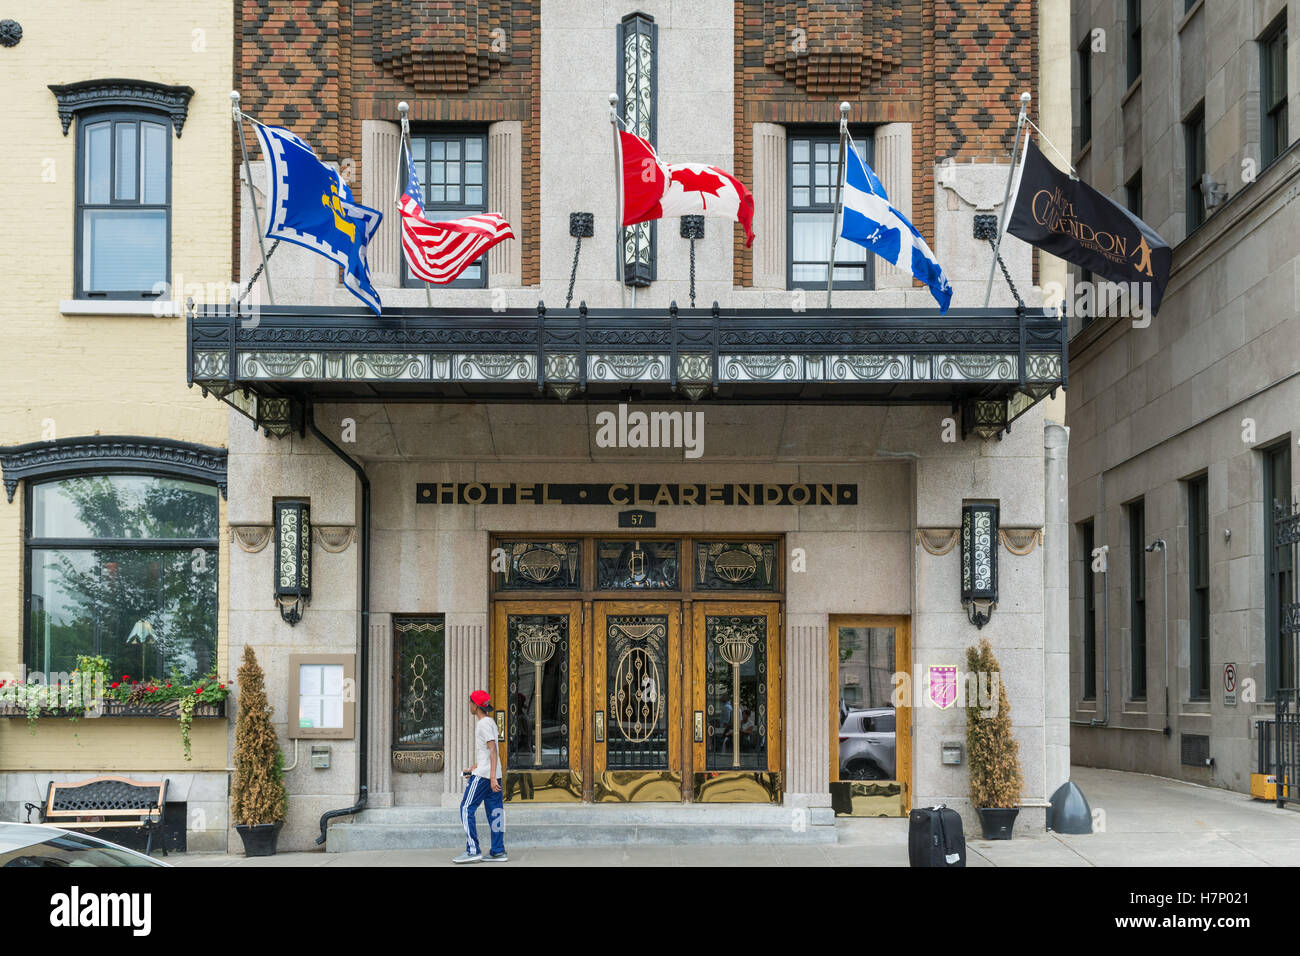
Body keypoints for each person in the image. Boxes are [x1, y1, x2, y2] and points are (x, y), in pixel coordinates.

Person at [454, 690, 507, 863]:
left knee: (465, 808)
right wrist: (477, 766)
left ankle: (472, 850)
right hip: (492, 773)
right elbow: (490, 751)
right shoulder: (490, 722)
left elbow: (492, 749)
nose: (469, 705)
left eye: (470, 702)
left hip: (486, 776)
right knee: (496, 812)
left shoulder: (483, 724)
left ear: (475, 706)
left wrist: (489, 777)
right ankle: (498, 851)